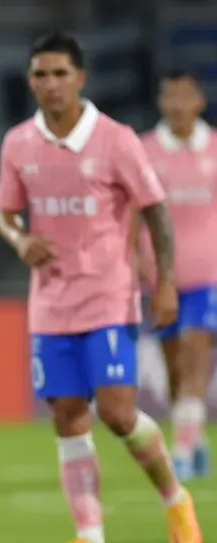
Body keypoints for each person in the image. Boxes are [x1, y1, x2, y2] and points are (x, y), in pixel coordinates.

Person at [0, 33, 203, 543]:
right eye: (41, 74)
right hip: (51, 303)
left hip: (109, 296)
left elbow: (155, 210)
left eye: (61, 73)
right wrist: (21, 241)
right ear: (31, 80)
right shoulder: (19, 143)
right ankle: (91, 539)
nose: (51, 83)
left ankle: (174, 499)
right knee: (66, 413)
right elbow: (5, 213)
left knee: (116, 412)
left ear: (80, 78)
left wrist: (163, 283)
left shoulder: (115, 139)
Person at [138, 70, 217, 481]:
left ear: (199, 102)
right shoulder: (146, 152)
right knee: (174, 374)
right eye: (171, 96)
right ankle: (195, 436)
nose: (178, 104)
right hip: (161, 280)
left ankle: (182, 452)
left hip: (208, 277)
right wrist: (135, 260)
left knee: (193, 358)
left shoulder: (215, 149)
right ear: (162, 103)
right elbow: (133, 213)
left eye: (186, 96)